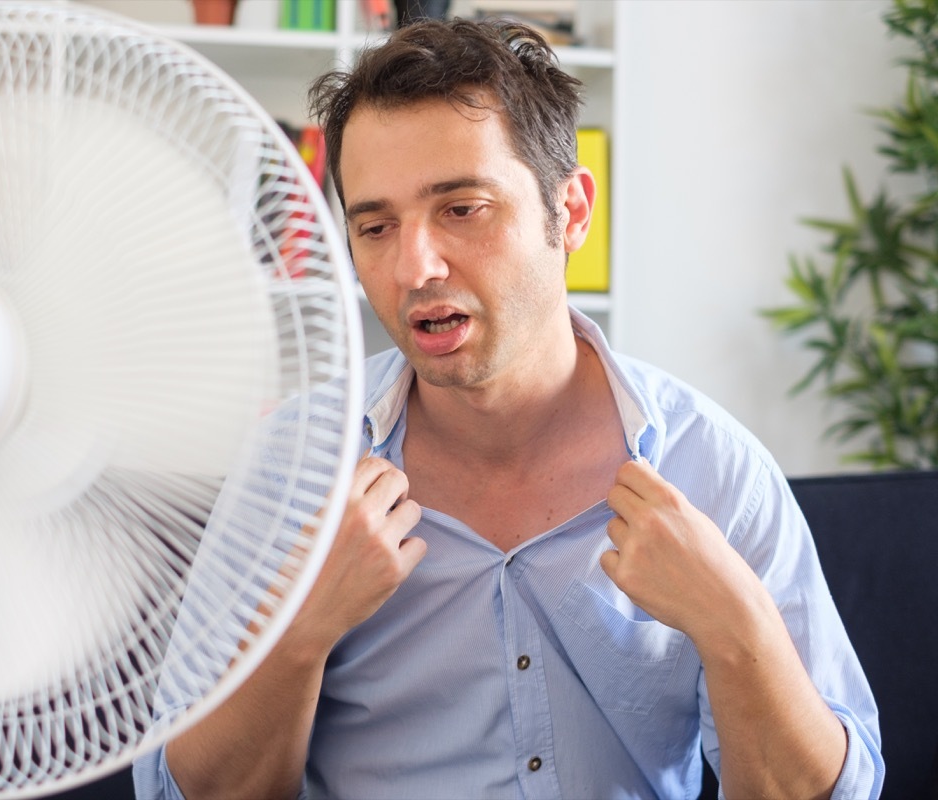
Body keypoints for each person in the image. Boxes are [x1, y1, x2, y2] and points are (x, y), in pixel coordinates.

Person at [133, 18, 883, 800]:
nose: (414, 267)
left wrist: (739, 633)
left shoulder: (713, 468)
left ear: (573, 213)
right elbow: (179, 793)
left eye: (462, 208)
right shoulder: (293, 470)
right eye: (376, 226)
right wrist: (297, 633)